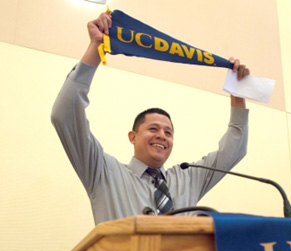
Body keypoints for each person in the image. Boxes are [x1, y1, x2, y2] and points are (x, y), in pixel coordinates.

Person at [51, 12, 250, 224]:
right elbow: (64, 115)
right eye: (153, 129)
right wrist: (95, 48)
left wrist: (237, 92)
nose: (162, 136)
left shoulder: (189, 178)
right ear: (132, 136)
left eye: (168, 132)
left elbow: (234, 150)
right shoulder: (103, 172)